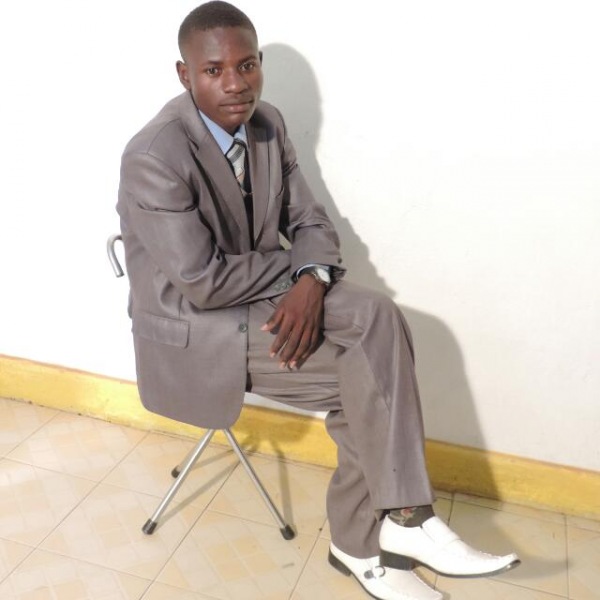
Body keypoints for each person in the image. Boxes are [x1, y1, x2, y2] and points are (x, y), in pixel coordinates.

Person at [116, 2, 520, 599]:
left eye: (247, 65)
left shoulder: (267, 124)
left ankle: (403, 522)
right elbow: (202, 280)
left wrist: (313, 279)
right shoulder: (153, 155)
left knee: (379, 317)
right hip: (199, 329)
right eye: (214, 70)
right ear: (184, 75)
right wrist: (300, 274)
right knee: (367, 378)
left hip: (260, 300)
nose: (235, 83)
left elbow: (310, 220)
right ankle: (371, 541)